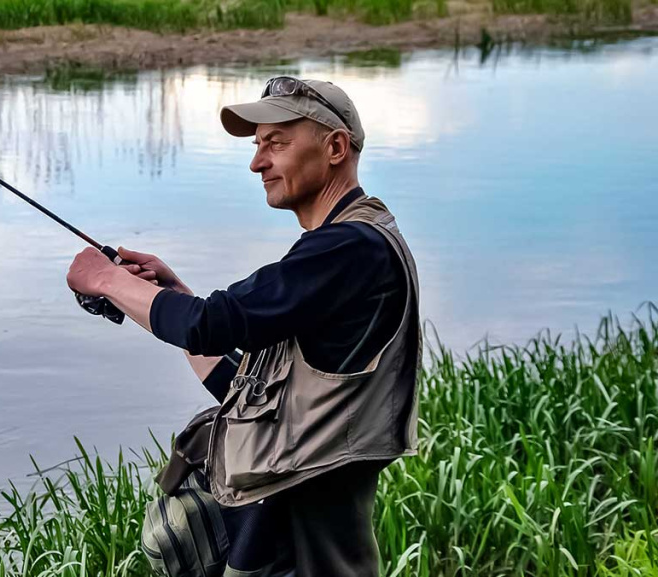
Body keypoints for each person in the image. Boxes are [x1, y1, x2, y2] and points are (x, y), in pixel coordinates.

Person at [66, 77, 421, 577]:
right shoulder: (342, 247)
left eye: (276, 143)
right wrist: (174, 297)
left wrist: (104, 279)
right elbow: (244, 385)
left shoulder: (350, 249)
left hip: (299, 554)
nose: (257, 162)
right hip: (280, 542)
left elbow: (211, 324)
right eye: (258, 146)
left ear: (335, 147)